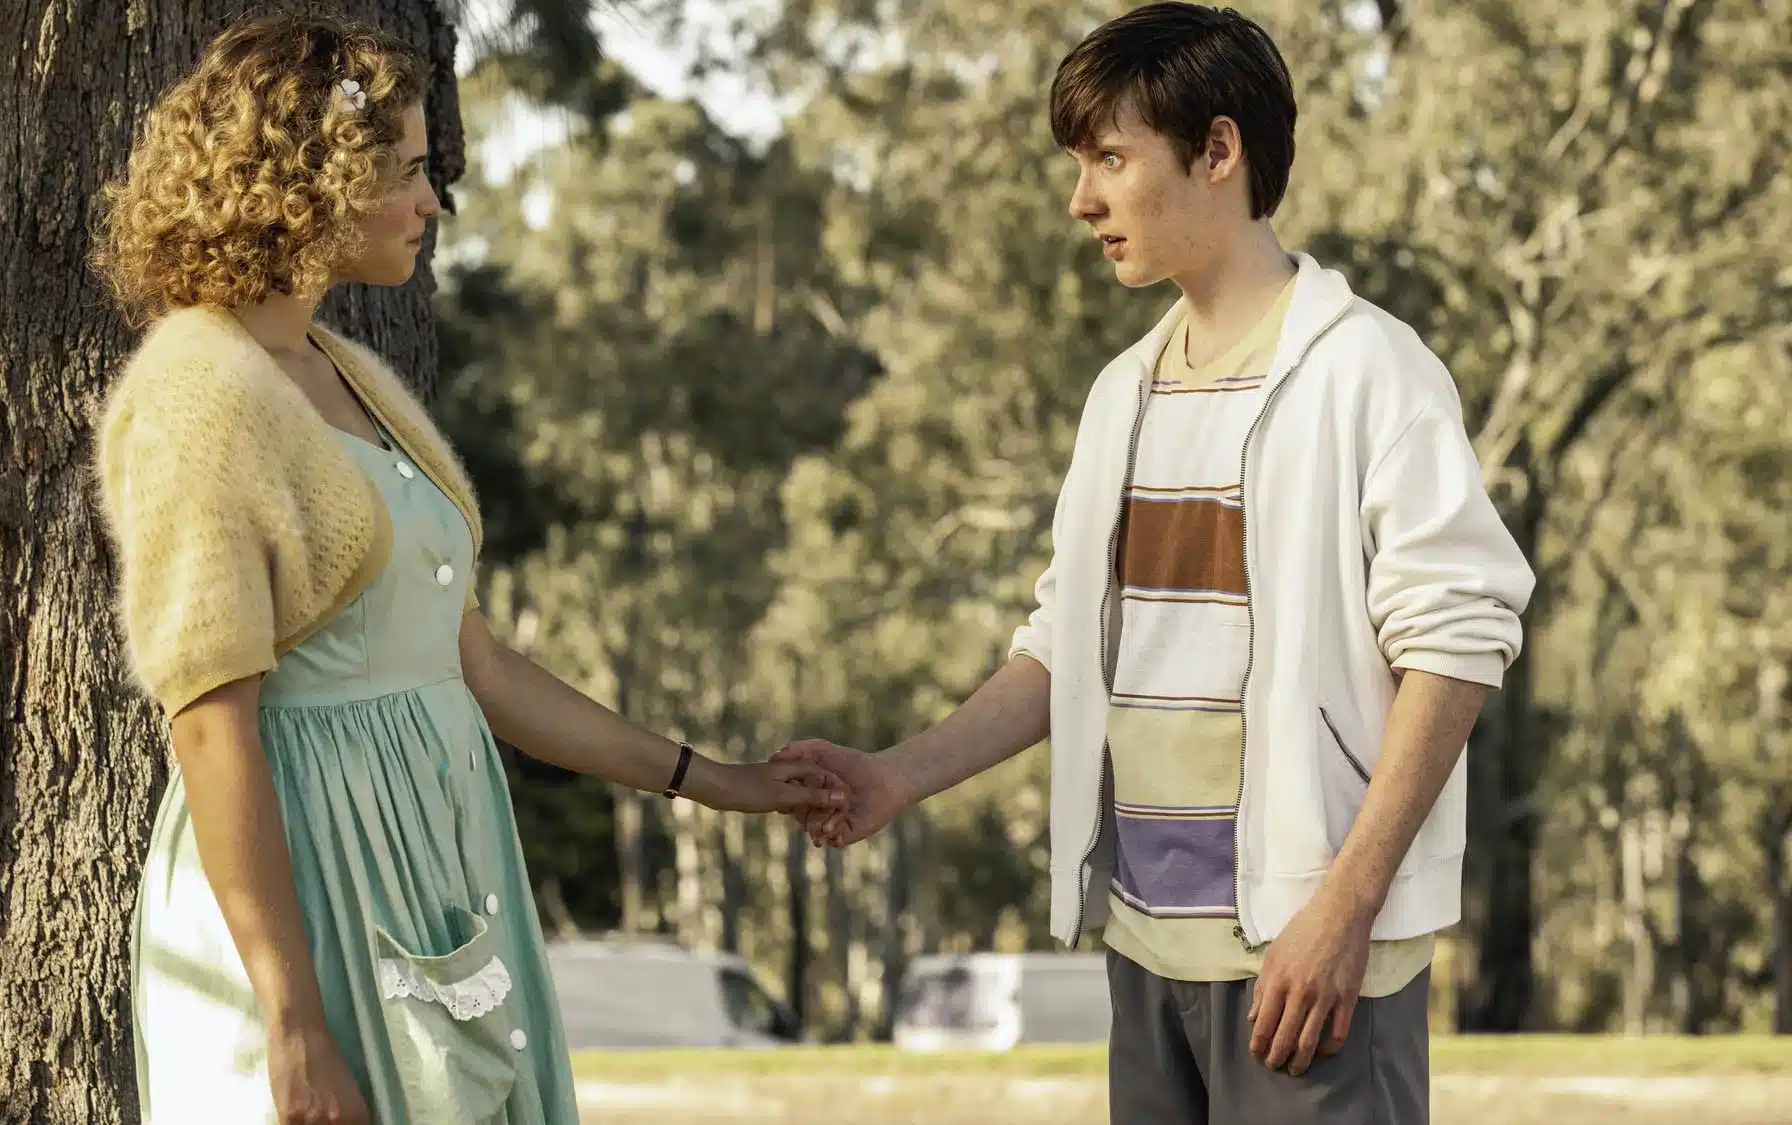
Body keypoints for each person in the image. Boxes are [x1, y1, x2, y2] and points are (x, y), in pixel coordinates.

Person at [775, 5, 1534, 1123]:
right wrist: (897, 776)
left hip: (1307, 964)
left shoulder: (1370, 369)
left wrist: (1345, 907)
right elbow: (1063, 648)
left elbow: (1457, 643)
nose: (1081, 200)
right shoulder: (1121, 393)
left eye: (1110, 159)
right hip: (1144, 951)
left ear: (1217, 150)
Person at [89, 15, 843, 1125]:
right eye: (404, 172)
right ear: (310, 179)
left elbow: (476, 666)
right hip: (313, 881)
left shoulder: (341, 368)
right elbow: (210, 726)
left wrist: (716, 780)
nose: (431, 203)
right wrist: (292, 1020)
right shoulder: (198, 393)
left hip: (429, 853)